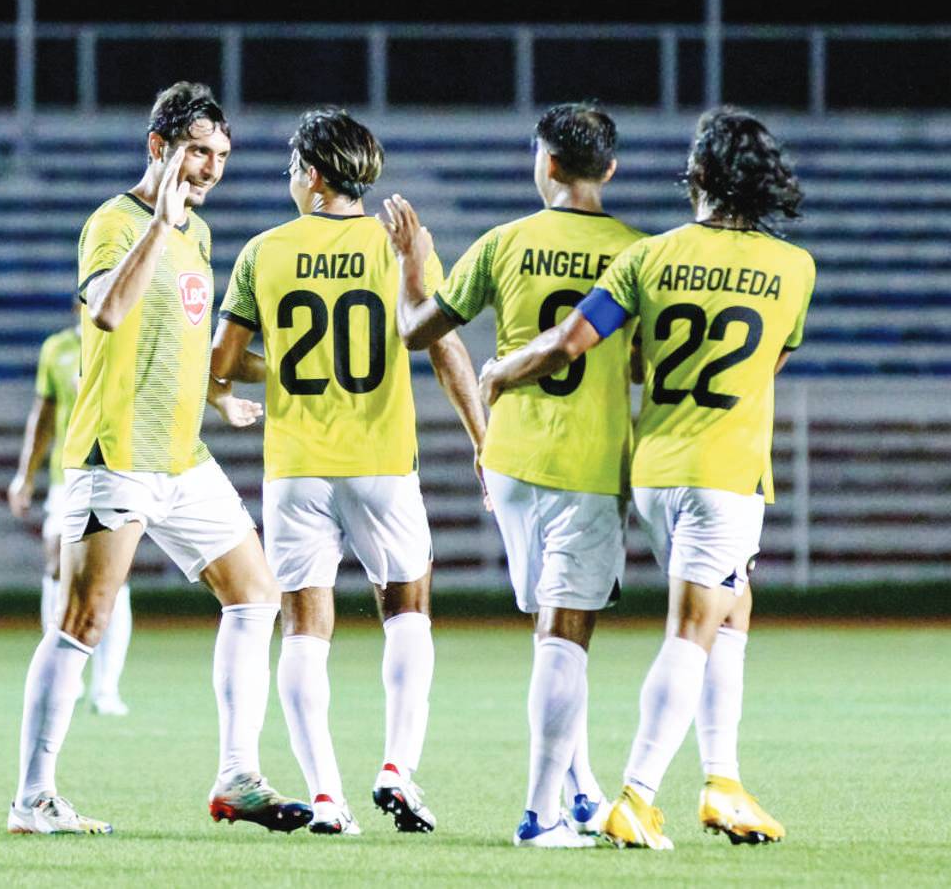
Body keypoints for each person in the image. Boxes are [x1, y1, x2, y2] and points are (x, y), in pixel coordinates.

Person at [476, 106, 812, 849]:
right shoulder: (795, 268)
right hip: (724, 470)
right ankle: (637, 793)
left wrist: (500, 368)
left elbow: (573, 344)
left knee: (733, 608)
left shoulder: (649, 255)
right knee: (694, 628)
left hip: (654, 467)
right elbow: (766, 366)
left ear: (697, 175)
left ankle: (722, 781)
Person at [7, 82, 310, 836]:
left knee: (256, 594)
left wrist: (217, 397)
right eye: (196, 151)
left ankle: (238, 776)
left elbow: (174, 339)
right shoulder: (114, 221)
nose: (210, 168)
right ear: (159, 148)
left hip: (182, 456)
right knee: (84, 618)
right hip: (118, 454)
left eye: (221, 156)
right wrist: (160, 229)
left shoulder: (199, 238)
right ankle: (32, 798)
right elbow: (108, 310)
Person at [210, 108, 486, 836]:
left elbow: (221, 362)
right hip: (381, 460)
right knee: (408, 606)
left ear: (311, 172)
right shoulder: (400, 243)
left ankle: (326, 795)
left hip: (296, 467)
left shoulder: (263, 251)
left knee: (304, 625)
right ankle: (397, 765)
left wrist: (287, 376)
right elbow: (444, 345)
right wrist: (484, 440)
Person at [380, 102, 646, 848]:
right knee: (567, 637)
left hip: (510, 464)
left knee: (552, 631)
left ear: (548, 163)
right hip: (587, 463)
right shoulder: (639, 252)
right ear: (610, 169)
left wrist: (410, 263)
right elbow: (642, 362)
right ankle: (541, 816)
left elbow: (415, 330)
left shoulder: (506, 242)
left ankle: (583, 792)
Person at [8, 305, 132, 717]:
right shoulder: (56, 349)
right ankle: (68, 675)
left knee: (114, 575)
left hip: (118, 470)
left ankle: (107, 688)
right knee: (56, 565)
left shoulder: (127, 341)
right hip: (69, 475)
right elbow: (42, 416)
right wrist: (24, 475)